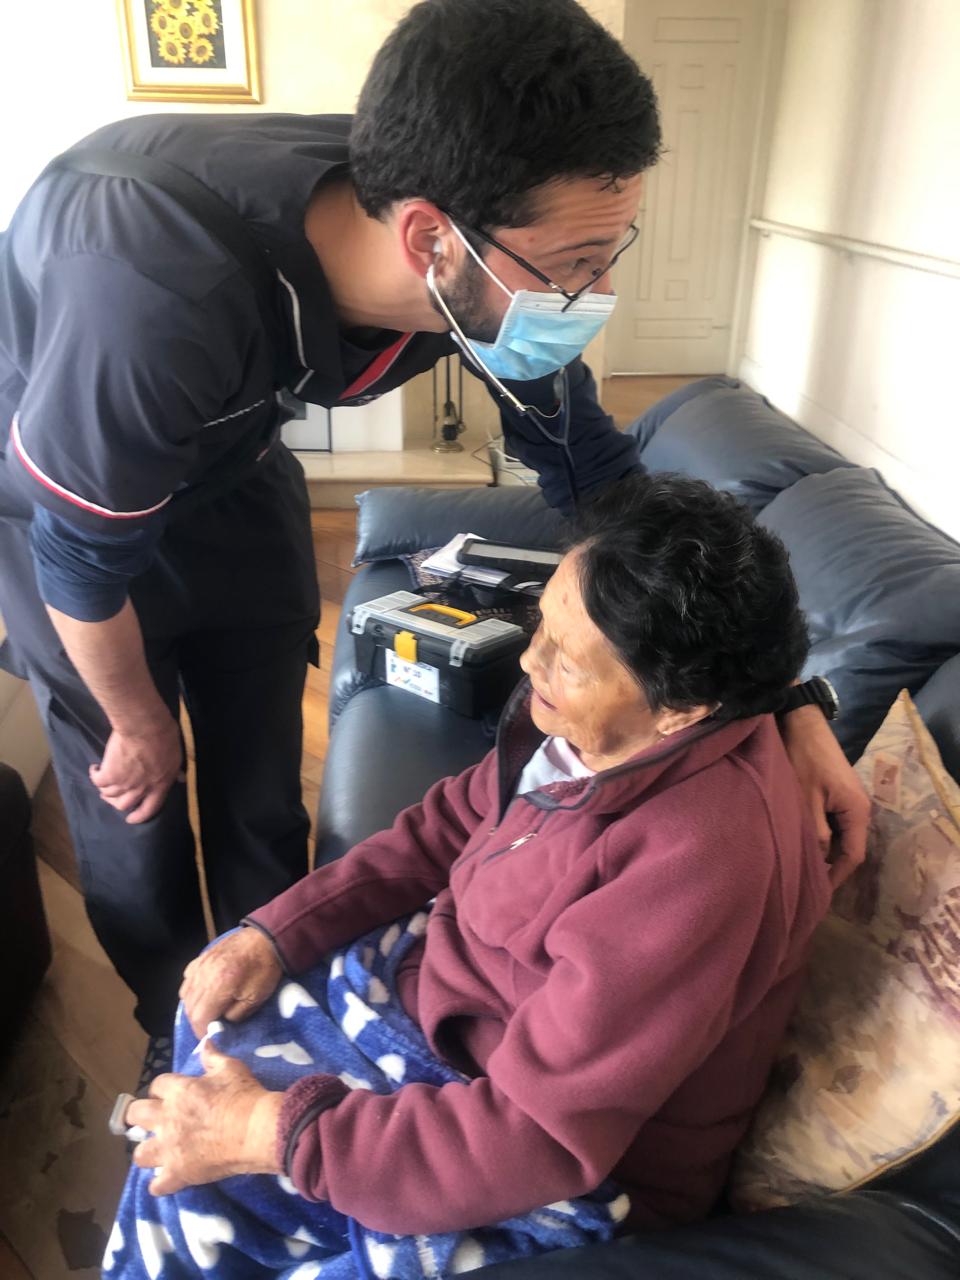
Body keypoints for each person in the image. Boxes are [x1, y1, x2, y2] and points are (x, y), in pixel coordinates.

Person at [0, 0, 866, 1088]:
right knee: (135, 797)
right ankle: (167, 1026)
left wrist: (781, 698)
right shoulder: (150, 287)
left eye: (609, 255)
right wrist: (135, 720)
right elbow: (81, 560)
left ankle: (256, 1006)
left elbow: (603, 487)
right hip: (64, 519)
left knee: (259, 779)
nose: (593, 296)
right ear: (427, 240)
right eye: (575, 264)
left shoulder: (475, 245)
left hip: (231, 466)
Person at [104, 473, 832, 1279]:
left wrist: (270, 1134)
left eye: (567, 661)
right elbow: (449, 824)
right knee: (212, 1015)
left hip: (554, 1166)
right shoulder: (606, 728)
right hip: (439, 1012)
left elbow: (538, 1135)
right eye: (542, 624)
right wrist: (275, 933)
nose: (529, 659)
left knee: (192, 1192)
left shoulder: (700, 865)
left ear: (681, 710)